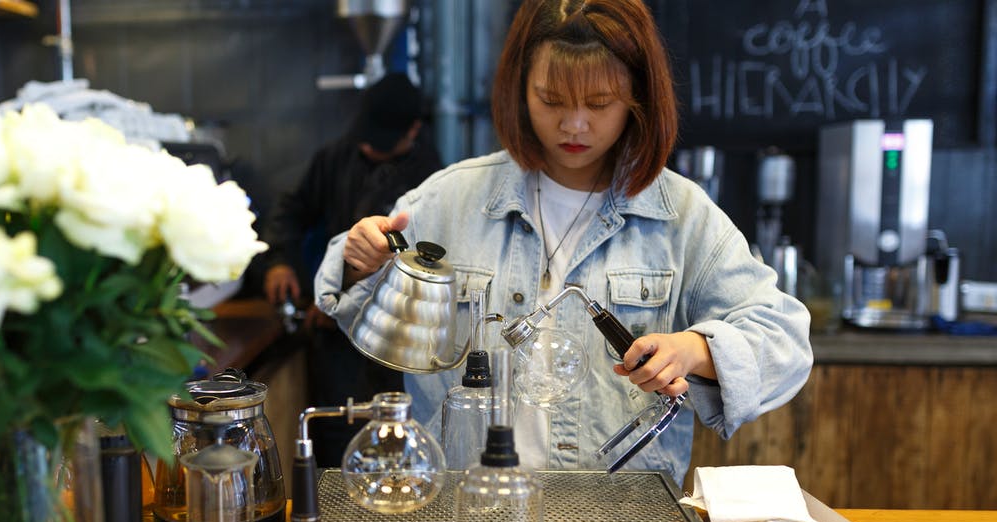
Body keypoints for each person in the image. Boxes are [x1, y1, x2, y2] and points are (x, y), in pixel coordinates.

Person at [312, 0, 812, 486]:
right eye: (551, 100)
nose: (574, 124)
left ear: (637, 97)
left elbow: (785, 340)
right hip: (467, 511)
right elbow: (351, 297)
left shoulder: (679, 215)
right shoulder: (452, 200)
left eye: (598, 104)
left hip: (621, 519)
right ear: (519, 89)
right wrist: (361, 263)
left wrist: (692, 349)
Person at [259, 72, 442, 466]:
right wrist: (279, 261)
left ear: (413, 129)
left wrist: (353, 301)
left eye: (381, 140)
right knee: (336, 445)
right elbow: (292, 211)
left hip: (392, 349)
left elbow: (423, 270)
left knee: (391, 451)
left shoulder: (433, 181)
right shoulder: (336, 156)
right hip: (333, 349)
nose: (368, 146)